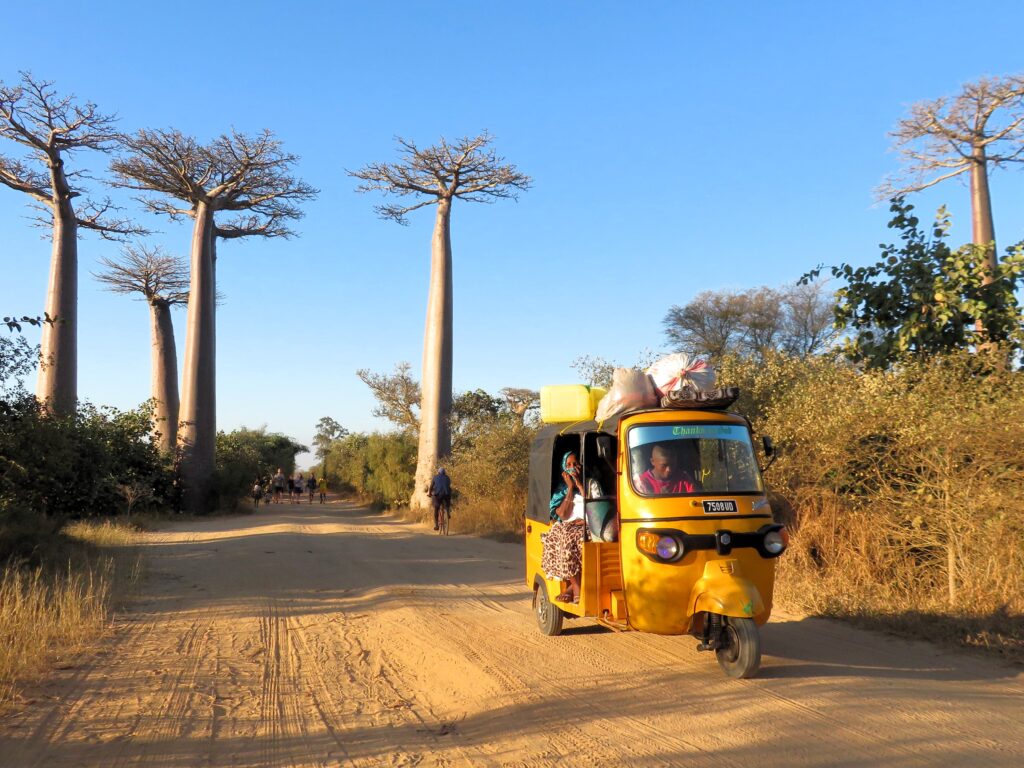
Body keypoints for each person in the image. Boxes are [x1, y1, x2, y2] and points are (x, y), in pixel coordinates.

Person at [541, 451, 602, 604]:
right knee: (558, 536)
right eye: (568, 465)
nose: (573, 468)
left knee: (574, 539)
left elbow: (597, 509)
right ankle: (574, 586)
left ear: (581, 465)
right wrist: (570, 488)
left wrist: (580, 486)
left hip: (589, 524)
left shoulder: (591, 484)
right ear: (563, 469)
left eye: (575, 464)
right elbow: (561, 514)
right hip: (568, 525)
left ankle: (575, 587)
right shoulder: (562, 489)